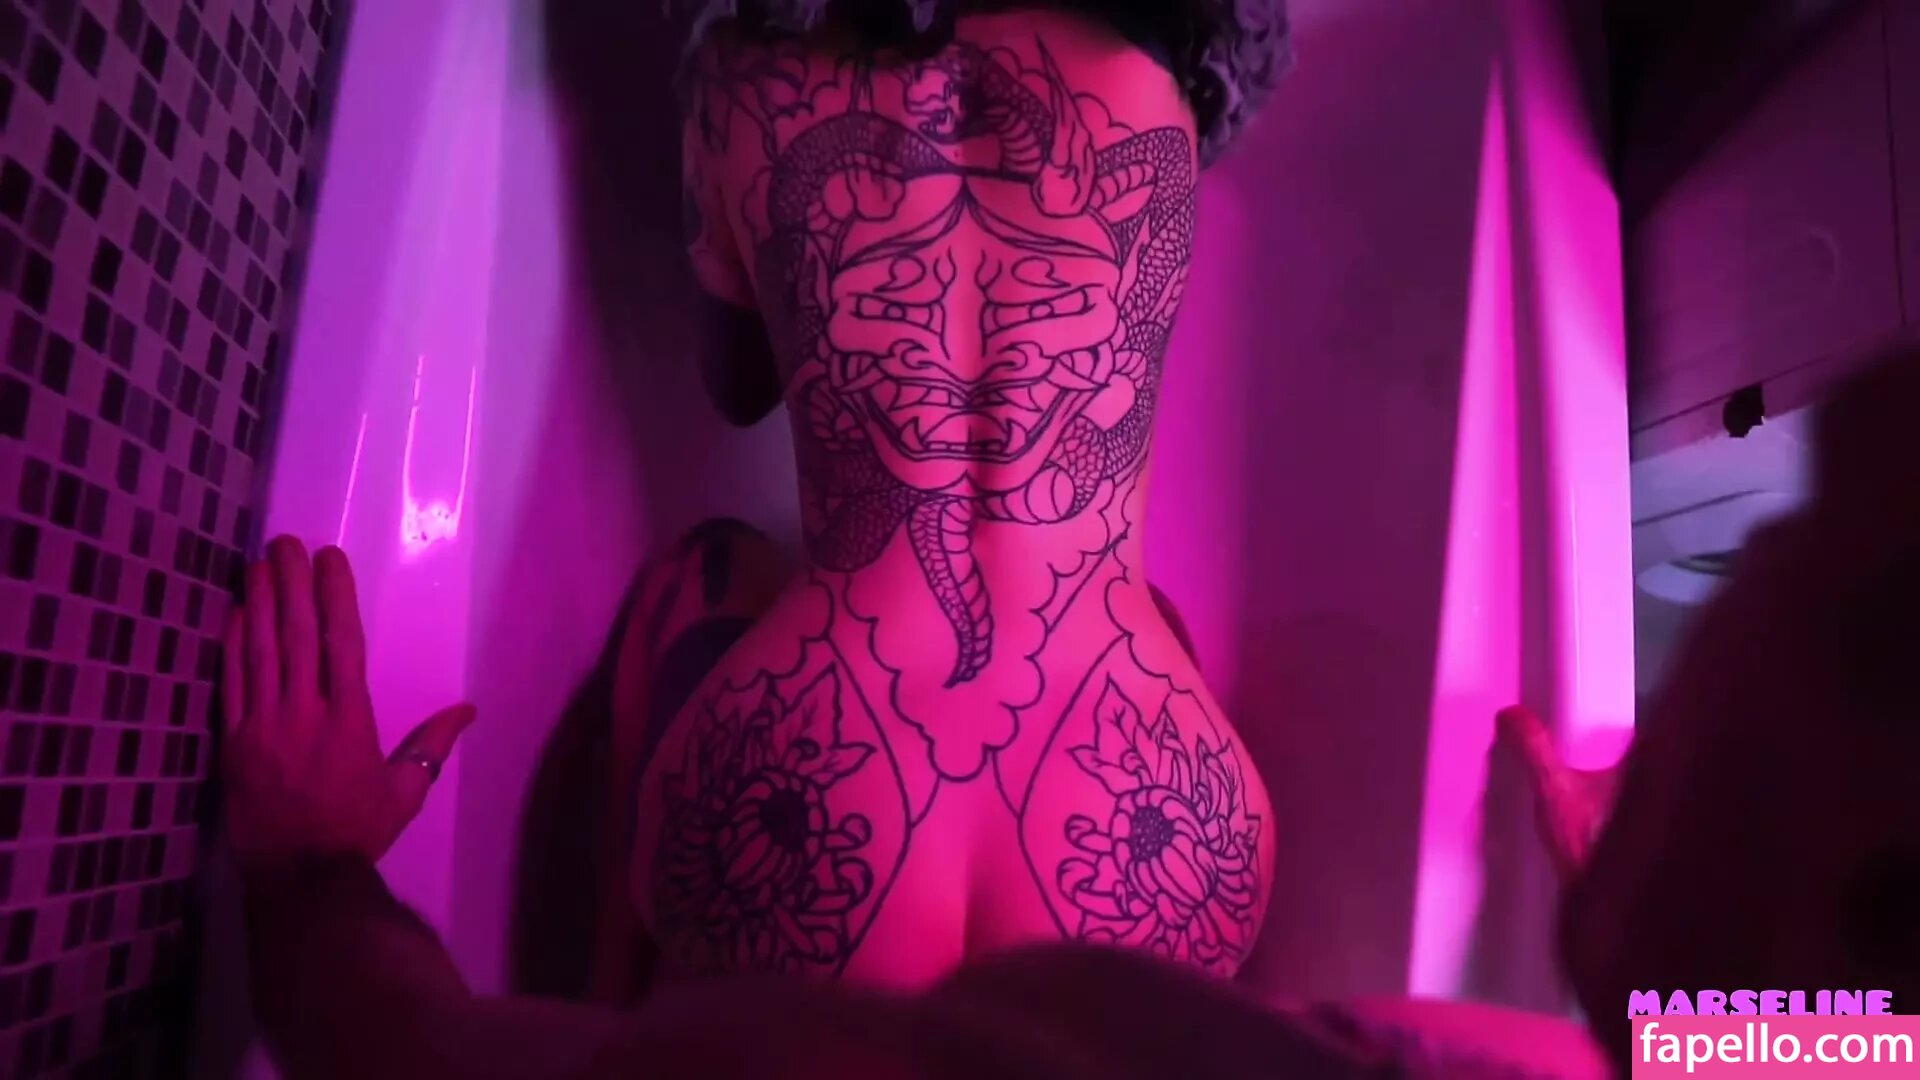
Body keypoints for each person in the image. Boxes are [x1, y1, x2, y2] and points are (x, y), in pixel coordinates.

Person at [587, 1, 1294, 995]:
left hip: (802, 788)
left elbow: (738, 387)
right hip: (1148, 823)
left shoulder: (740, 86)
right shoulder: (1163, 88)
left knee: (710, 566)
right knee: (1155, 620)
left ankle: (611, 985)